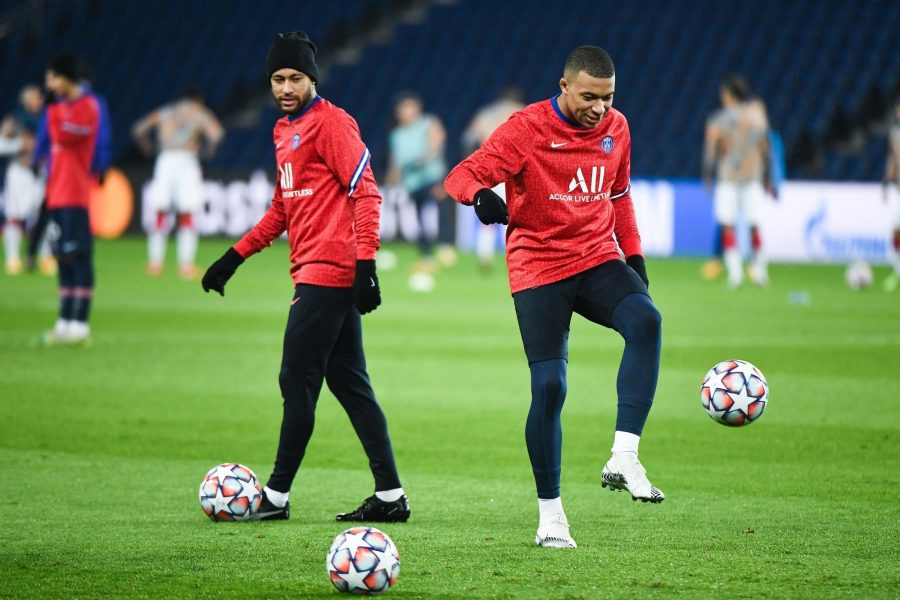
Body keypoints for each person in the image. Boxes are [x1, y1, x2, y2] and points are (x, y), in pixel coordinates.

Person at [445, 46, 664, 549]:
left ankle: (623, 456)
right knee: (549, 387)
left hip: (594, 257)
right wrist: (479, 196)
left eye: (608, 98)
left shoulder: (617, 128)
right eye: (589, 96)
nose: (600, 109)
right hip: (538, 265)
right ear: (564, 86)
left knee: (646, 321)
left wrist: (634, 257)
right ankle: (551, 515)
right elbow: (460, 174)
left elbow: (619, 195)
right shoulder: (526, 128)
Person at [202, 31, 409, 523]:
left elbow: (368, 192)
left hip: (329, 273)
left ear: (313, 78)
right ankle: (390, 495)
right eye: (278, 79)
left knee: (296, 378)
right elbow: (281, 209)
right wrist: (234, 257)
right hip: (315, 270)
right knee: (350, 385)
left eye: (296, 78)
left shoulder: (332, 125)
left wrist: (366, 265)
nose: (286, 87)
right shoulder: (283, 131)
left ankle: (274, 497)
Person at [39, 53, 100, 345]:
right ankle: (64, 321)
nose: (48, 83)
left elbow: (64, 136)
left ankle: (81, 323)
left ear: (66, 78)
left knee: (80, 257)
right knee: (62, 257)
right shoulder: (58, 109)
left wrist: (53, 113)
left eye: (52, 77)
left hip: (76, 193)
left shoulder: (88, 106)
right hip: (56, 194)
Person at [133, 86, 224, 279]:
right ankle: (186, 266)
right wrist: (207, 152)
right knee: (188, 213)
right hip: (187, 161)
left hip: (165, 160)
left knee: (160, 212)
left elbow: (138, 129)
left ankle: (155, 263)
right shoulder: (200, 113)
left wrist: (148, 148)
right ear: (199, 100)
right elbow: (217, 134)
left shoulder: (167, 111)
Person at [703, 75, 772, 288]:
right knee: (754, 225)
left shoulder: (718, 120)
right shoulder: (758, 118)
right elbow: (765, 149)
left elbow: (711, 151)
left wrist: (707, 174)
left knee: (728, 225)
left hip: (728, 179)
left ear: (728, 95)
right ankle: (760, 272)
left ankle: (736, 274)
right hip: (752, 177)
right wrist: (767, 176)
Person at [386, 91, 450, 291]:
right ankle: (426, 256)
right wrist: (391, 182)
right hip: (412, 183)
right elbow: (396, 163)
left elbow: (438, 141)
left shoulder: (428, 122)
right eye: (403, 108)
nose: (407, 111)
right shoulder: (396, 135)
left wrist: (425, 159)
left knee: (440, 211)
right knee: (419, 218)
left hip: (432, 177)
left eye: (410, 107)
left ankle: (445, 247)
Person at [461, 86, 525, 270]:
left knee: (488, 217)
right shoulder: (523, 112)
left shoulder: (485, 114)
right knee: (515, 216)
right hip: (515, 171)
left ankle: (485, 257)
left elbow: (467, 138)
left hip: (490, 170)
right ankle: (515, 257)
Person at [1, 85, 48, 275]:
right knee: (15, 216)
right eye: (33, 97)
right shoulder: (15, 120)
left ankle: (46, 257)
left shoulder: (47, 119)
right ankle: (12, 259)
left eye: (38, 97)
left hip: (41, 172)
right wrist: (21, 144)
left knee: (44, 217)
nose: (37, 101)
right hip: (19, 171)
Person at [883, 96, 900, 292]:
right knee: (895, 232)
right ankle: (897, 271)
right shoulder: (895, 133)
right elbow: (893, 160)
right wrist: (886, 182)